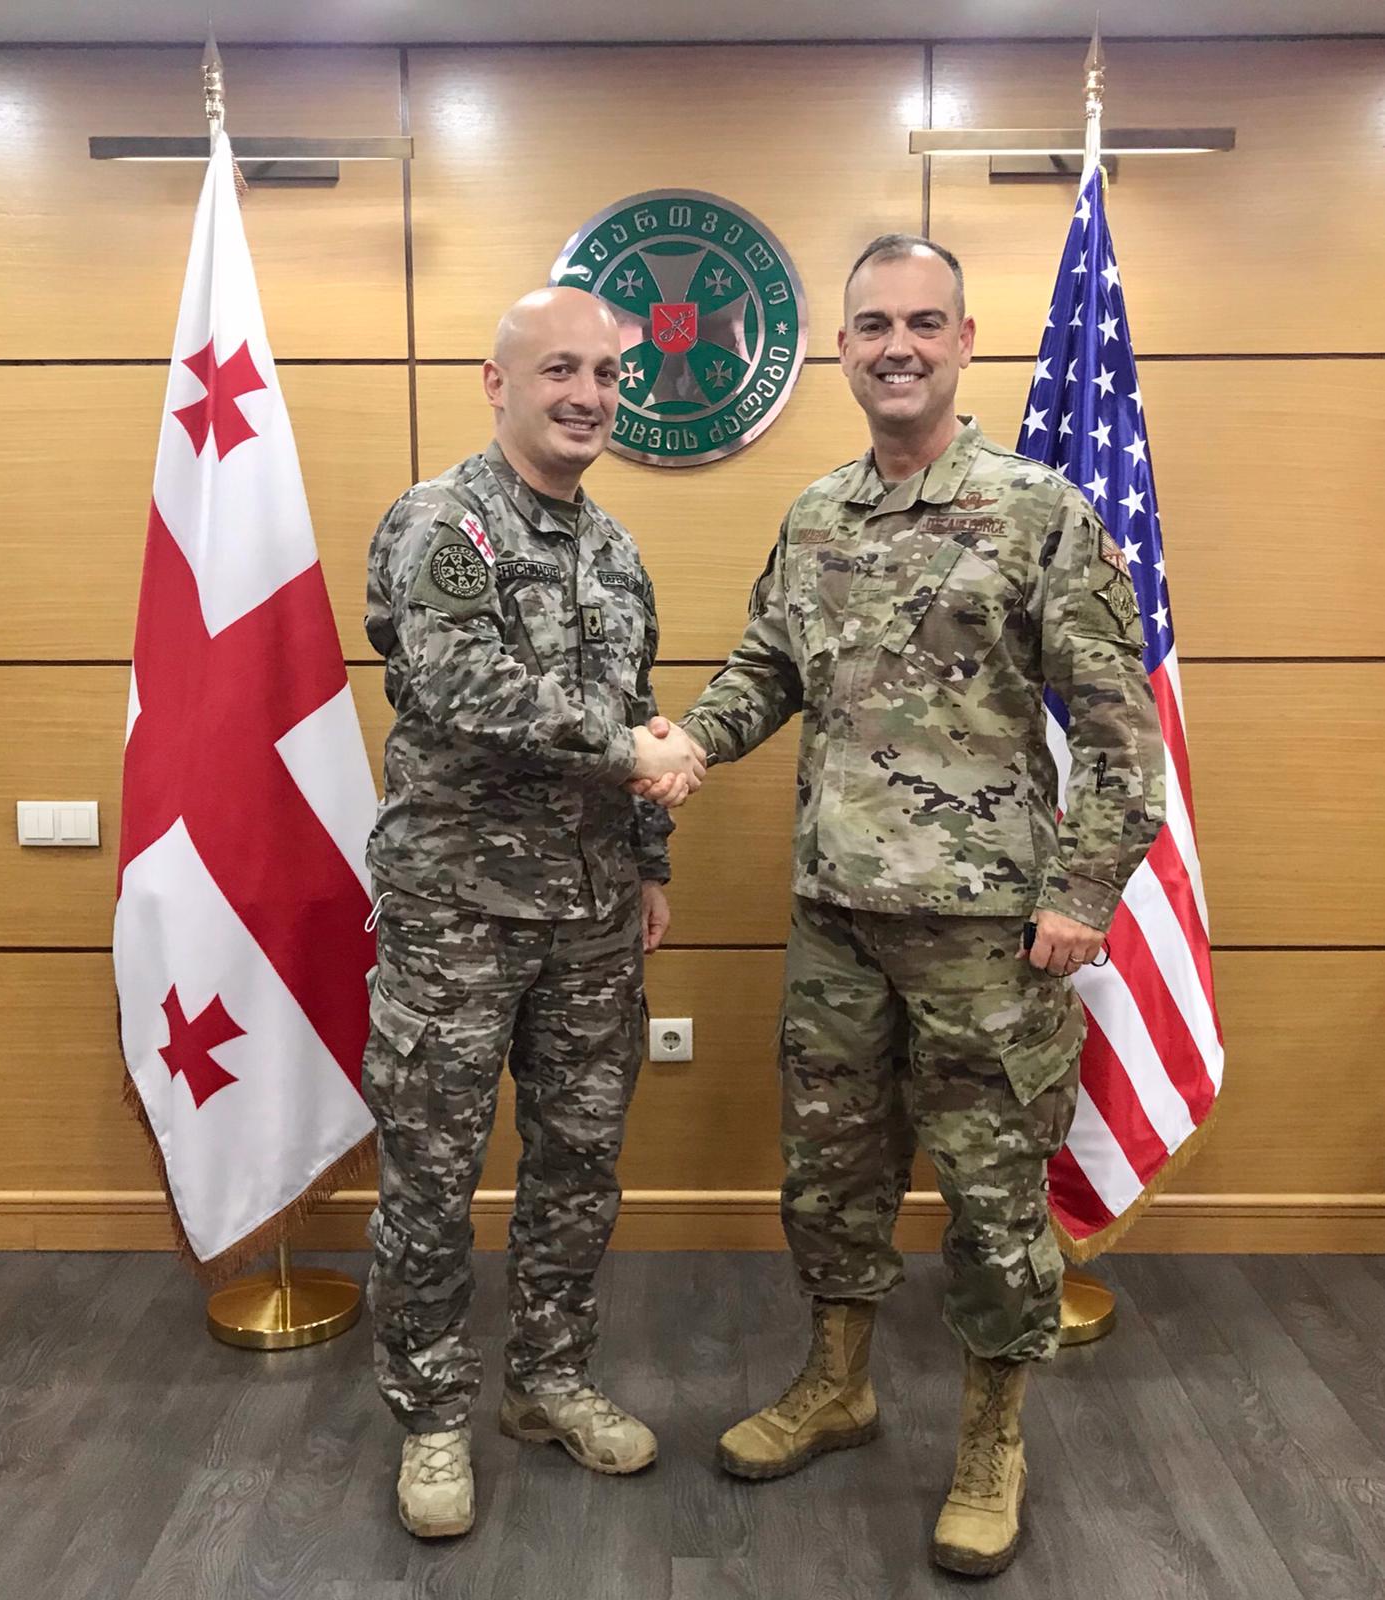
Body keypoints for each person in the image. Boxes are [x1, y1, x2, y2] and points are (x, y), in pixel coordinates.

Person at [640, 235, 1164, 1576]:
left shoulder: (1038, 511)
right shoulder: (816, 514)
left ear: (964, 340)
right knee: (830, 1179)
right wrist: (693, 740)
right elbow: (768, 665)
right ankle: (838, 1382)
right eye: (874, 325)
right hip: (837, 922)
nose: (898, 347)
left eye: (924, 323)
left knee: (991, 1200)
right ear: (842, 350)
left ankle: (992, 1439)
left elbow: (1121, 727)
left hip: (988, 937)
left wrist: (1083, 890)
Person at [361, 286, 704, 1539]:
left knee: (576, 1165)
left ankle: (547, 1380)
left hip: (593, 916)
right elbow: (459, 680)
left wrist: (650, 859)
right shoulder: (446, 522)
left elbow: (640, 700)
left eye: (606, 373)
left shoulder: (613, 550)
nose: (588, 394)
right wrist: (628, 751)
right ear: (497, 383)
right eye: (560, 369)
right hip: (456, 914)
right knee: (433, 1175)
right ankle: (432, 1414)